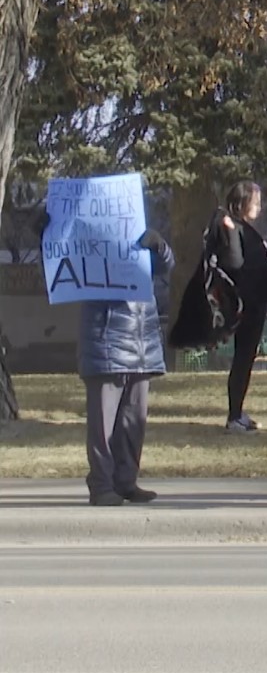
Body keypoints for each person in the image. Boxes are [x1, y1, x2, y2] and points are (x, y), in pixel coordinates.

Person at [53, 207, 174, 506]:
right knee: (103, 423)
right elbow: (57, 256)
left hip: (141, 341)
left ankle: (126, 481)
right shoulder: (87, 245)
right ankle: (102, 485)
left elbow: (166, 265)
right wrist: (46, 231)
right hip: (104, 339)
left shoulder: (140, 238)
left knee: (134, 420)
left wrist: (159, 245)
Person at [169, 181, 267, 433]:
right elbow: (235, 262)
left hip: (256, 301)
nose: (259, 208)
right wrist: (230, 234)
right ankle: (234, 416)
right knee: (242, 359)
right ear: (241, 202)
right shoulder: (227, 225)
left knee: (247, 358)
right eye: (255, 202)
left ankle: (238, 410)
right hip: (245, 304)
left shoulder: (245, 228)